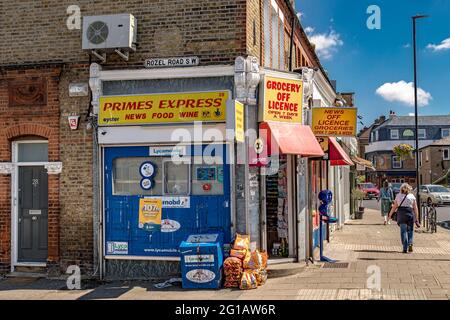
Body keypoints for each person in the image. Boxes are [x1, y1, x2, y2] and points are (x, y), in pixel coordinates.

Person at [388, 183, 421, 253]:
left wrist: (390, 215)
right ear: (409, 189)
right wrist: (417, 218)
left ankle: (405, 247)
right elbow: (415, 208)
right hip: (410, 214)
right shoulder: (412, 196)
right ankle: (410, 243)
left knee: (403, 231)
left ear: (401, 189)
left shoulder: (398, 196)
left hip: (401, 215)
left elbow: (394, 207)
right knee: (410, 230)